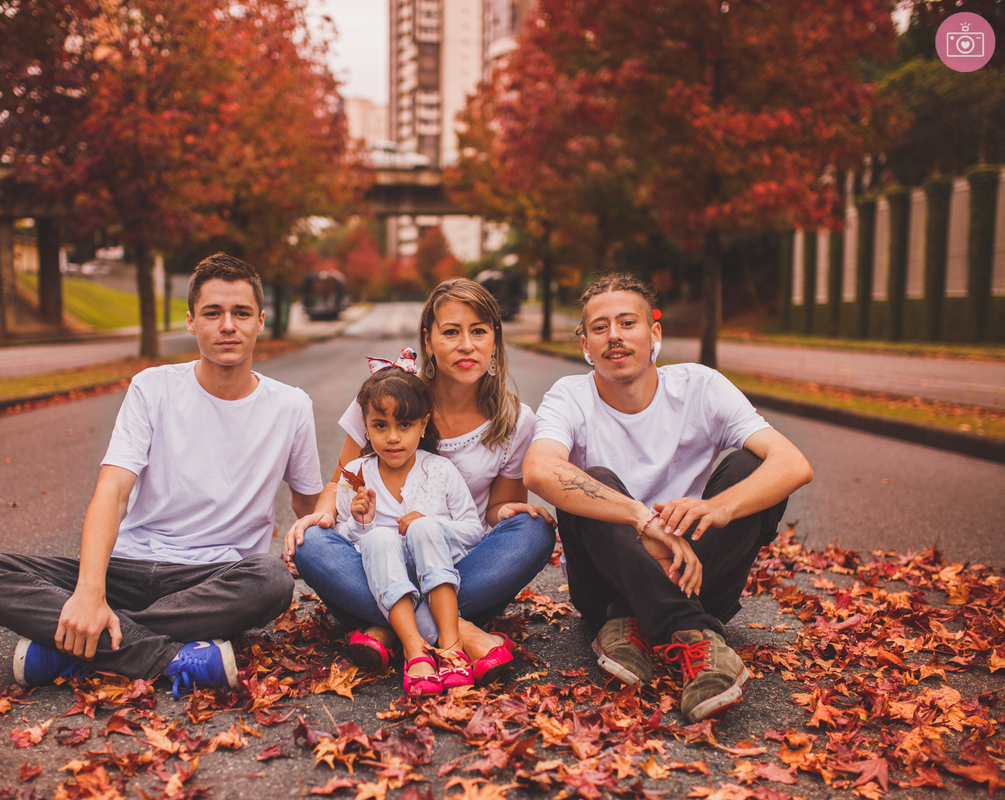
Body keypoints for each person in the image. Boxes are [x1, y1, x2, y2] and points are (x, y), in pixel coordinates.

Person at [0, 253, 323, 698]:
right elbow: (112, 492)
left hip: (211, 581)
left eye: (241, 313)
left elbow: (308, 506)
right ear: (191, 322)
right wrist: (90, 592)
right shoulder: (152, 387)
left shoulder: (290, 406)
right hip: (127, 570)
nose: (228, 325)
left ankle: (75, 649)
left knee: (271, 580)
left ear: (260, 321)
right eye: (213, 313)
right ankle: (166, 657)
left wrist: (357, 505)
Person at [523, 273, 813, 723]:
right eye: (600, 327)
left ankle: (632, 622)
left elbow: (793, 463)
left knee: (751, 467)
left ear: (654, 333)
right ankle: (695, 633)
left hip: (697, 572)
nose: (614, 335)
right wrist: (641, 519)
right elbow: (540, 470)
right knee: (590, 480)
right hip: (604, 586)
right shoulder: (570, 396)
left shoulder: (700, 387)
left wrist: (718, 508)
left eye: (627, 323)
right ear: (586, 345)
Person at [286, 278, 556, 685]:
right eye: (451, 332)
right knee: (311, 543)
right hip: (375, 560)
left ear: (495, 340)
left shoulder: (516, 420)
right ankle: (459, 632)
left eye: (478, 331)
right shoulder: (387, 398)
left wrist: (509, 513)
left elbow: (494, 512)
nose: (466, 345)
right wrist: (321, 516)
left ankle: (389, 629)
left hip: (458, 566)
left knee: (534, 530)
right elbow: (341, 483)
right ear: (428, 340)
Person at [333, 351, 485, 695]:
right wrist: (361, 524)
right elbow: (340, 540)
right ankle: (415, 649)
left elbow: (474, 531)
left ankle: (450, 643)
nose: (393, 437)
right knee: (377, 539)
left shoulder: (440, 470)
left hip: (443, 575)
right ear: (365, 426)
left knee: (423, 528)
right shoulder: (355, 474)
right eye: (380, 426)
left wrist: (431, 523)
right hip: (383, 579)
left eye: (404, 425)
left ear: (423, 424)